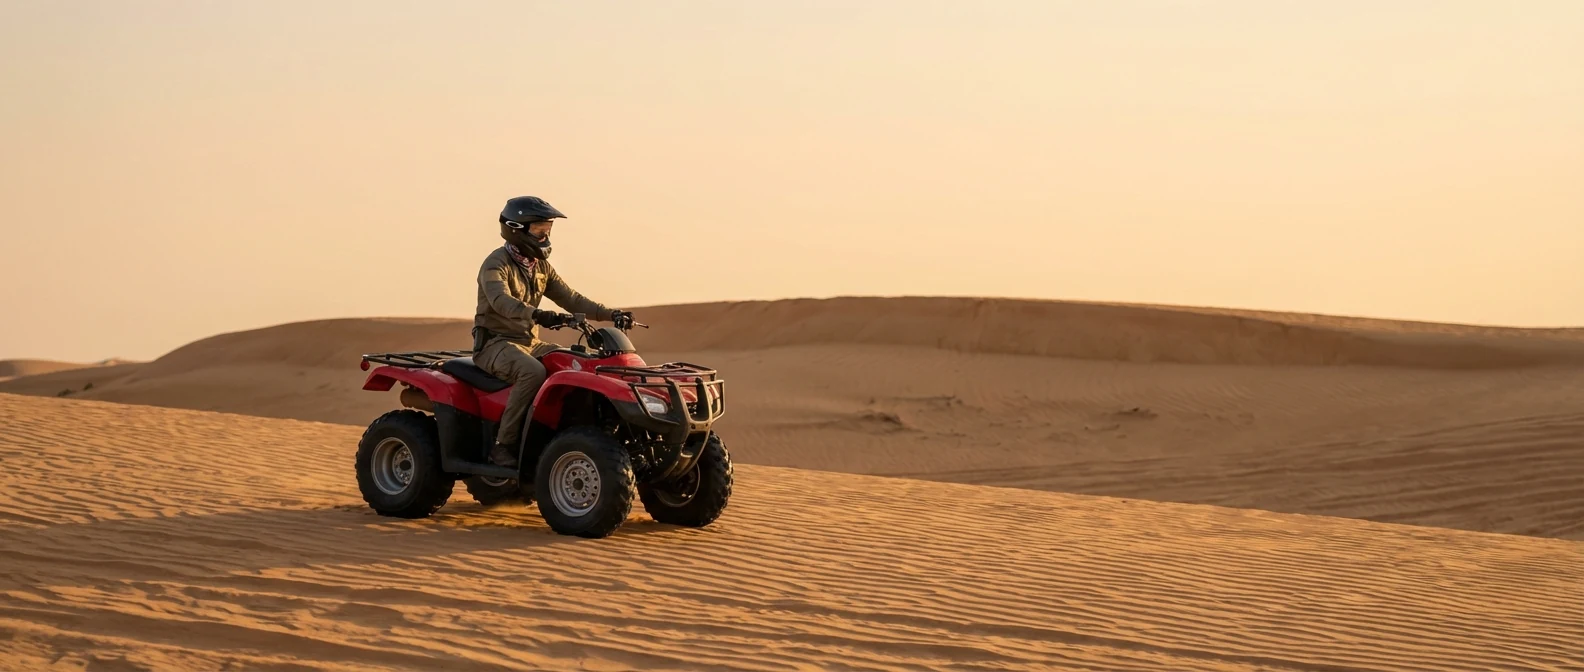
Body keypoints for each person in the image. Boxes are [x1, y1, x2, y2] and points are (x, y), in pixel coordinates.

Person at [472, 195, 634, 468]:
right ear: (516, 228)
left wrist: (610, 313)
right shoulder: (495, 263)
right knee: (531, 372)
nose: (545, 235)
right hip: (494, 344)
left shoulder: (540, 267)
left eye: (547, 229)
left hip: (529, 342)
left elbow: (571, 298)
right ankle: (503, 446)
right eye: (539, 229)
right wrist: (537, 314)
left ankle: (557, 436)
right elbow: (500, 301)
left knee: (575, 364)